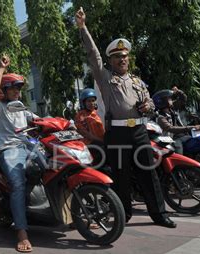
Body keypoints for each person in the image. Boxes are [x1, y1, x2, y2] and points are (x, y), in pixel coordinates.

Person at [75, 7, 176, 228]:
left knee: (149, 174)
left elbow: (149, 103)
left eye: (124, 56)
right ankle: (124, 215)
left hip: (139, 132)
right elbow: (93, 55)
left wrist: (147, 106)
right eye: (117, 57)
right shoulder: (105, 78)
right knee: (121, 176)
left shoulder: (137, 82)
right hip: (118, 133)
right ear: (110, 60)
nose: (122, 60)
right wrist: (83, 28)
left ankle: (159, 215)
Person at [0, 55, 44, 253]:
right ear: (4, 90)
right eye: (13, 88)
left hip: (30, 146)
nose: (18, 91)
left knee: (57, 167)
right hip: (9, 150)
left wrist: (65, 123)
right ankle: (21, 231)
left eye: (19, 88)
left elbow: (41, 121)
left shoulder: (22, 108)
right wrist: (1, 68)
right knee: (17, 184)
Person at [153, 89, 200, 154]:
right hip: (170, 140)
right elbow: (171, 128)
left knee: (199, 140)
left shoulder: (172, 109)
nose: (171, 100)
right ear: (164, 101)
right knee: (178, 147)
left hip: (181, 136)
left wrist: (178, 91)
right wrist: (192, 127)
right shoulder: (160, 117)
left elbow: (183, 98)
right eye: (169, 99)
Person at [74, 88, 105, 166]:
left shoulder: (97, 113)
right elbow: (86, 134)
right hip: (90, 145)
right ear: (83, 102)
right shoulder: (80, 116)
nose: (91, 103)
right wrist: (102, 141)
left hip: (102, 142)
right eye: (89, 101)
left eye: (93, 100)